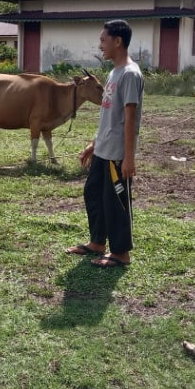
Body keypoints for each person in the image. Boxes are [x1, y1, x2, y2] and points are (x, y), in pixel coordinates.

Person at [65, 19, 144, 268]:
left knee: (116, 203)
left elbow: (130, 117)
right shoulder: (113, 73)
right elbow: (108, 115)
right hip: (103, 149)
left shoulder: (130, 74)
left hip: (118, 154)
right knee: (93, 194)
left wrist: (129, 158)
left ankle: (121, 253)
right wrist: (94, 144)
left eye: (103, 40)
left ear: (117, 41)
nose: (100, 46)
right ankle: (97, 242)